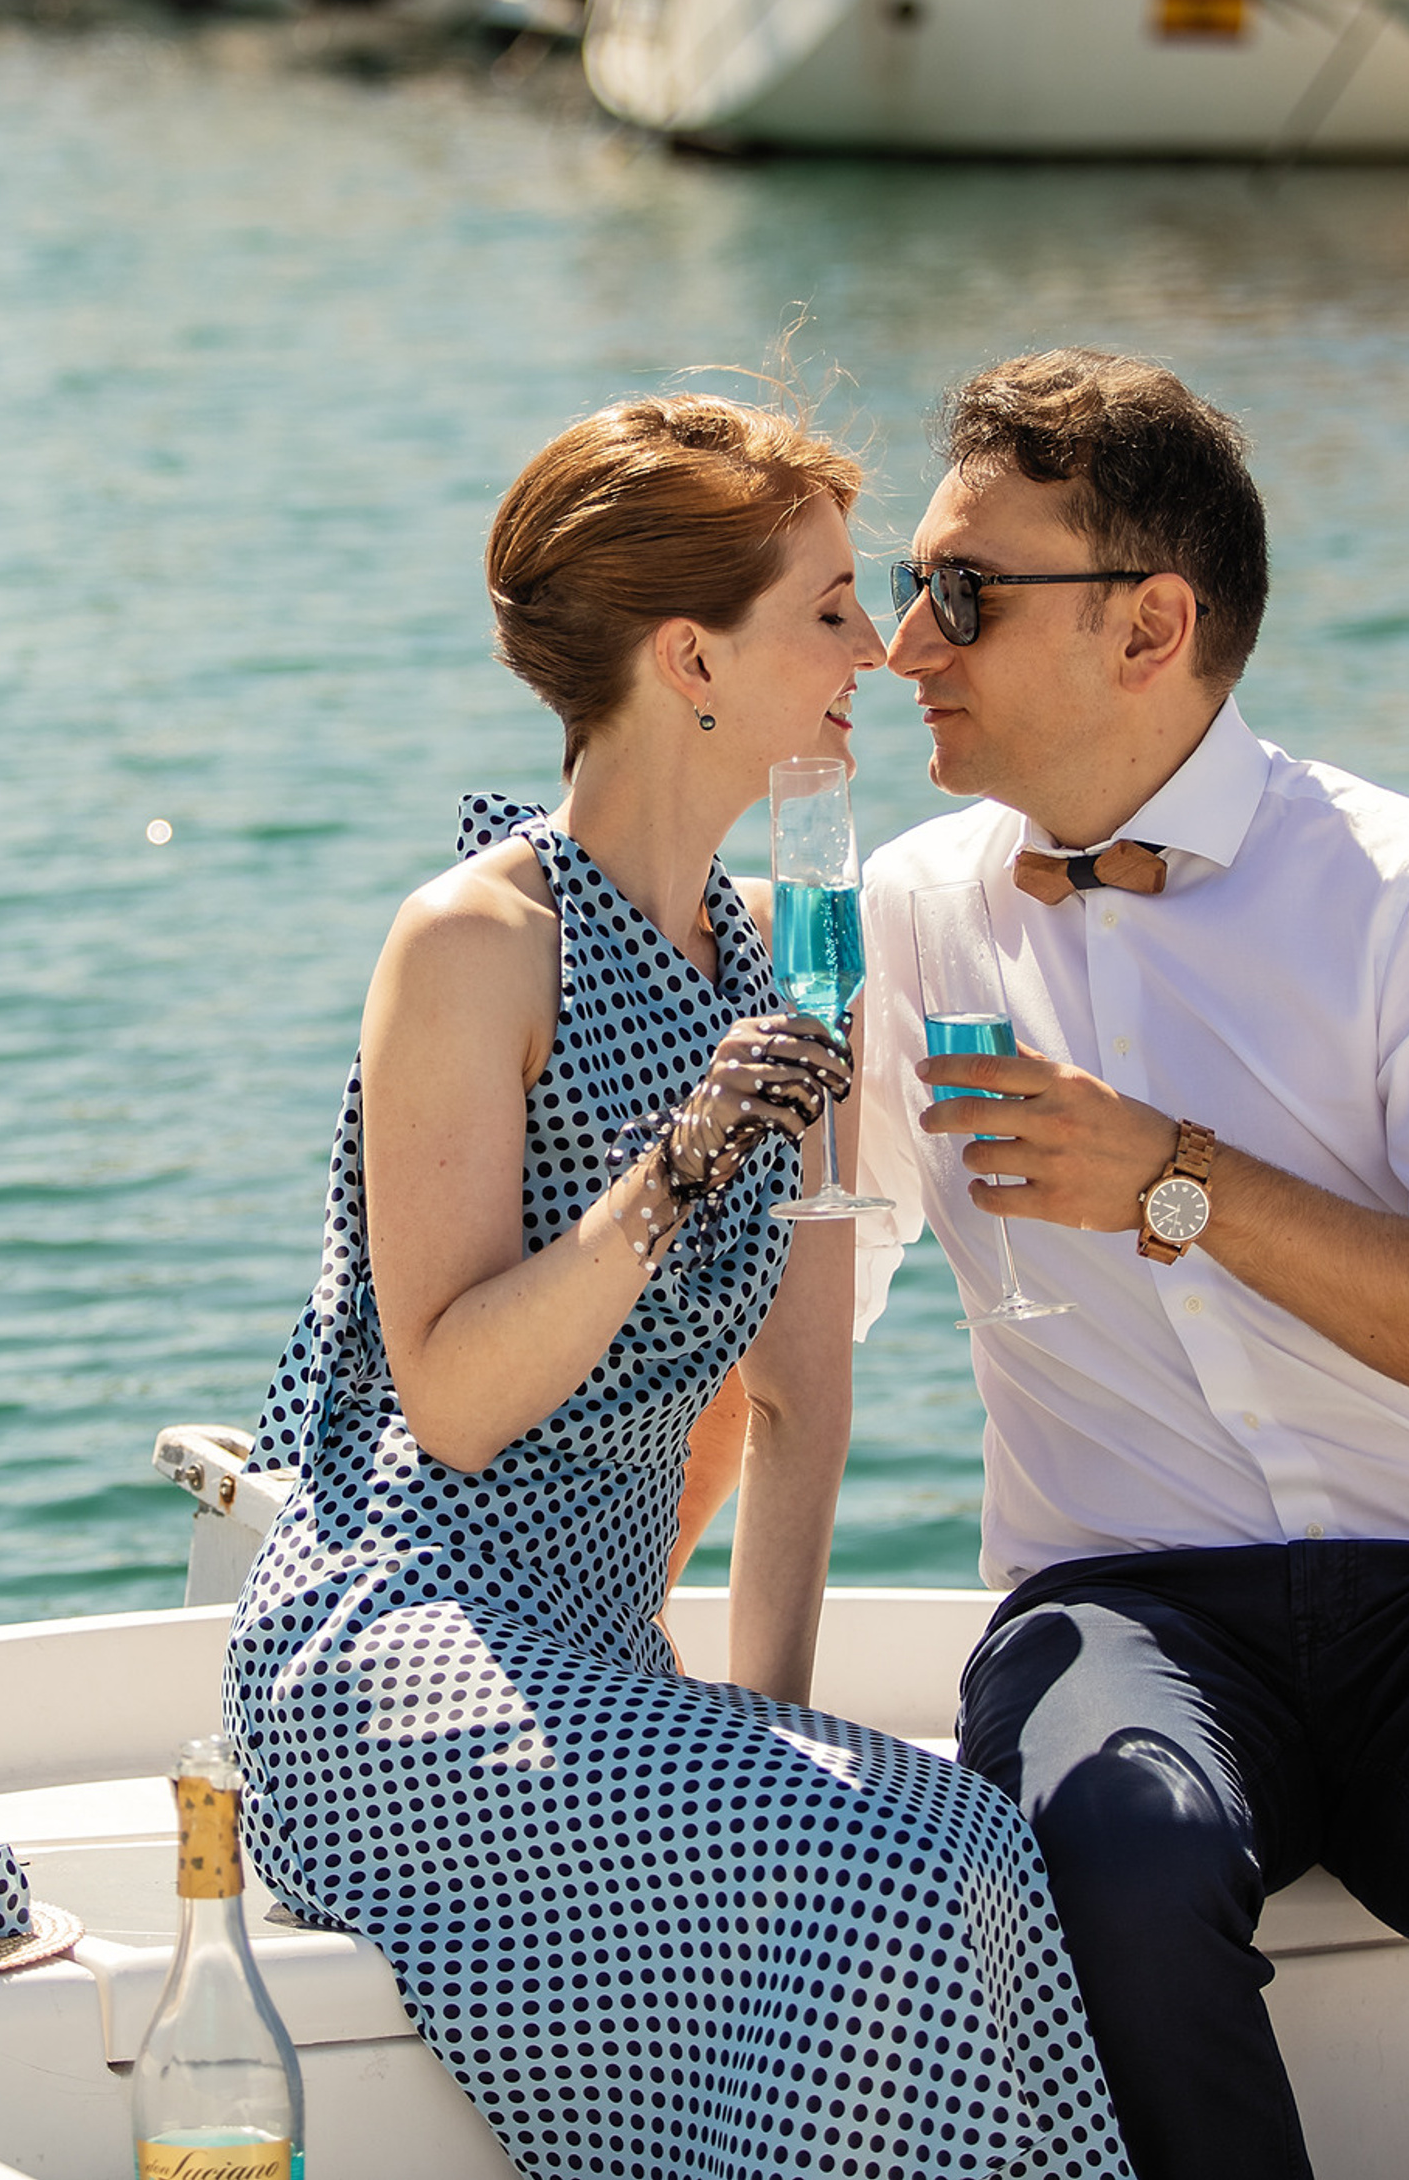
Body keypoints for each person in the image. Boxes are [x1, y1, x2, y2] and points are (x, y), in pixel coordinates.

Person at [225, 394, 1133, 2180]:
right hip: (394, 1652)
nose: (876, 646)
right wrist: (675, 1173)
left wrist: (776, 1729)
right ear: (688, 657)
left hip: (599, 1666)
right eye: (824, 610)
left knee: (956, 1851)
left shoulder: (796, 958)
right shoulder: (481, 942)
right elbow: (459, 1402)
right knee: (890, 1870)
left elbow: (800, 1398)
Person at [854, 349, 1409, 2180]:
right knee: (1117, 1847)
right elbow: (798, 1316)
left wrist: (1177, 1179)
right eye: (904, 586)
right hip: (1123, 1608)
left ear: (1151, 625)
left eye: (959, 594)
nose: (899, 645)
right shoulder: (898, 914)